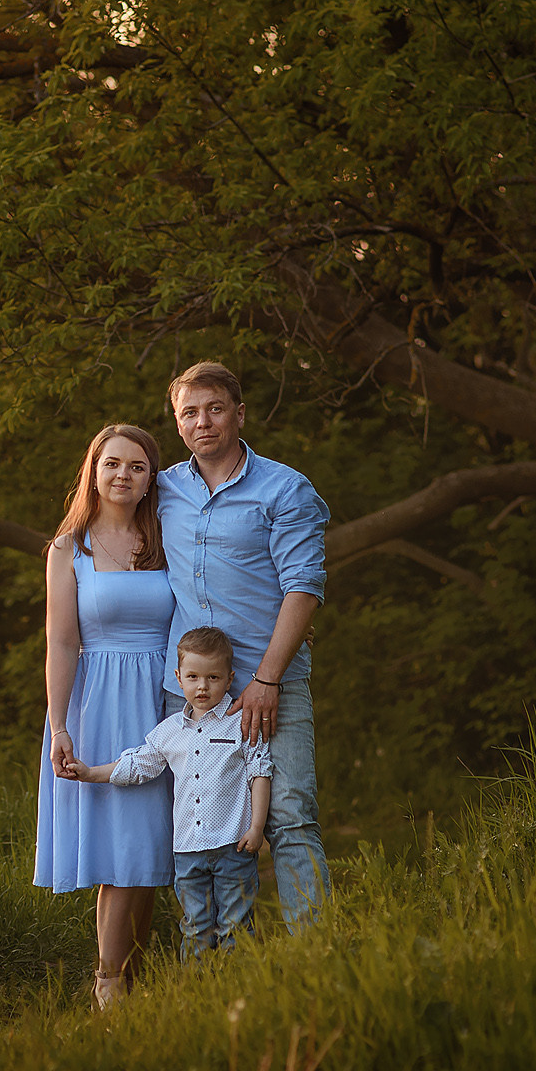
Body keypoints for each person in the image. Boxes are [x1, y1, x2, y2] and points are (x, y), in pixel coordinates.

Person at [158, 361, 332, 928]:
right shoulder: (163, 489)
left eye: (214, 409)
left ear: (238, 413)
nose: (202, 422)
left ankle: (316, 957)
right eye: (190, 413)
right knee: (197, 822)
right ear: (178, 423)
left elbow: (303, 587)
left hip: (268, 682)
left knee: (287, 815)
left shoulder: (284, 487)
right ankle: (214, 957)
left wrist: (267, 679)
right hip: (188, 691)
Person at [32, 423, 176, 1009]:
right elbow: (61, 644)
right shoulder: (71, 547)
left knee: (151, 851)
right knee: (122, 852)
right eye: (112, 463)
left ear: (151, 479)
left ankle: (130, 986)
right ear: (92, 471)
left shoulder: (170, 536)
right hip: (103, 703)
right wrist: (60, 725)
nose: (123, 475)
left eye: (137, 467)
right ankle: (109, 989)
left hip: (167, 699)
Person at [63, 626, 272, 958]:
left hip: (234, 845)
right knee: (196, 926)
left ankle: (238, 990)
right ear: (178, 677)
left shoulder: (240, 723)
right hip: (188, 851)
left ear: (229, 678)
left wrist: (257, 827)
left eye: (213, 678)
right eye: (193, 677)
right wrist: (90, 773)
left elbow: (259, 772)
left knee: (237, 924)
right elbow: (137, 765)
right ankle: (197, 992)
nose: (202, 686)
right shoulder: (169, 731)